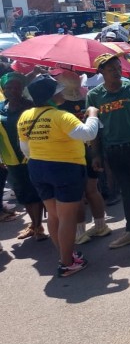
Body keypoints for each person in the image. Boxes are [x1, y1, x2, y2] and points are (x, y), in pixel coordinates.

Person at [17, 74, 101, 276]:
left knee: (54, 215)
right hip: (64, 169)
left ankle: (66, 255)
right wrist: (93, 114)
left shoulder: (25, 116)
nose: (62, 92)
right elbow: (88, 133)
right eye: (57, 90)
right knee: (67, 217)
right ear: (52, 95)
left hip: (37, 168)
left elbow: (25, 149)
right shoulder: (61, 116)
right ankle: (66, 263)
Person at [87, 53, 130, 249]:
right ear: (101, 72)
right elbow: (95, 128)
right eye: (111, 70)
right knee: (126, 192)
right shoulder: (94, 96)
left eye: (118, 68)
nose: (117, 72)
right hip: (113, 150)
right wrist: (96, 154)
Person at [55, 70, 111, 245]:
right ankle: (101, 226)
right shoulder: (87, 101)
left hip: (72, 154)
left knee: (78, 194)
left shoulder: (58, 109)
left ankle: (80, 232)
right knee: (93, 190)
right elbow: (95, 131)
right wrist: (96, 154)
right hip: (90, 150)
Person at [0, 72, 45, 241]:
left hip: (31, 156)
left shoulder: (30, 107)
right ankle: (33, 225)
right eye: (8, 87)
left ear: (21, 89)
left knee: (35, 191)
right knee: (22, 193)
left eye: (16, 87)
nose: (11, 90)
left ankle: (38, 226)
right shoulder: (0, 108)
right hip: (10, 158)